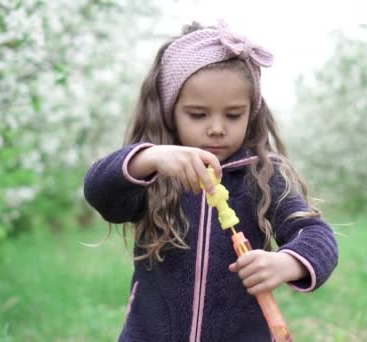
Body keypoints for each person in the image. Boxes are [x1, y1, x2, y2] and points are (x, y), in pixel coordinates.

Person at [83, 20, 338, 342]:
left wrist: (287, 262)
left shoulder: (263, 175)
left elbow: (316, 234)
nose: (216, 128)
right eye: (197, 114)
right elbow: (98, 192)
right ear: (170, 111)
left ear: (252, 113)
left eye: (233, 115)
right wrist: (149, 158)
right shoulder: (153, 173)